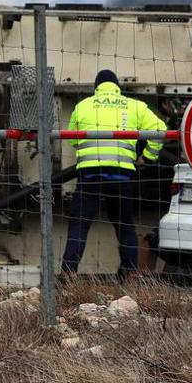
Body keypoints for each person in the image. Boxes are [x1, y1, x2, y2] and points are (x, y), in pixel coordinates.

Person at [60, 69, 166, 282]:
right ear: (117, 86)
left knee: (80, 224)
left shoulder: (84, 106)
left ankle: (69, 273)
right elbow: (160, 129)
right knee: (124, 223)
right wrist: (147, 157)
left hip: (90, 175)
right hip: (121, 176)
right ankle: (130, 273)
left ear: (96, 88)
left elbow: (72, 139)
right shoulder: (134, 106)